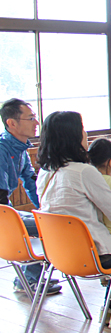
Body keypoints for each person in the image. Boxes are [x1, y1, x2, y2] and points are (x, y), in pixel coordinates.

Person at [37, 111, 111, 329]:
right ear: (72, 136)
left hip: (62, 254)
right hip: (95, 253)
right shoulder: (83, 172)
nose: (85, 133)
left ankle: (110, 309)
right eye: (82, 127)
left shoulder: (45, 171)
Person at [0, 99, 62, 295]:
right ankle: (29, 280)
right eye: (31, 118)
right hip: (3, 213)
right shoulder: (2, 150)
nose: (37, 123)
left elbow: (31, 182)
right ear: (12, 123)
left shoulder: (19, 148)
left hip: (5, 210)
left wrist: (45, 209)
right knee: (50, 226)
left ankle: (27, 279)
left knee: (49, 221)